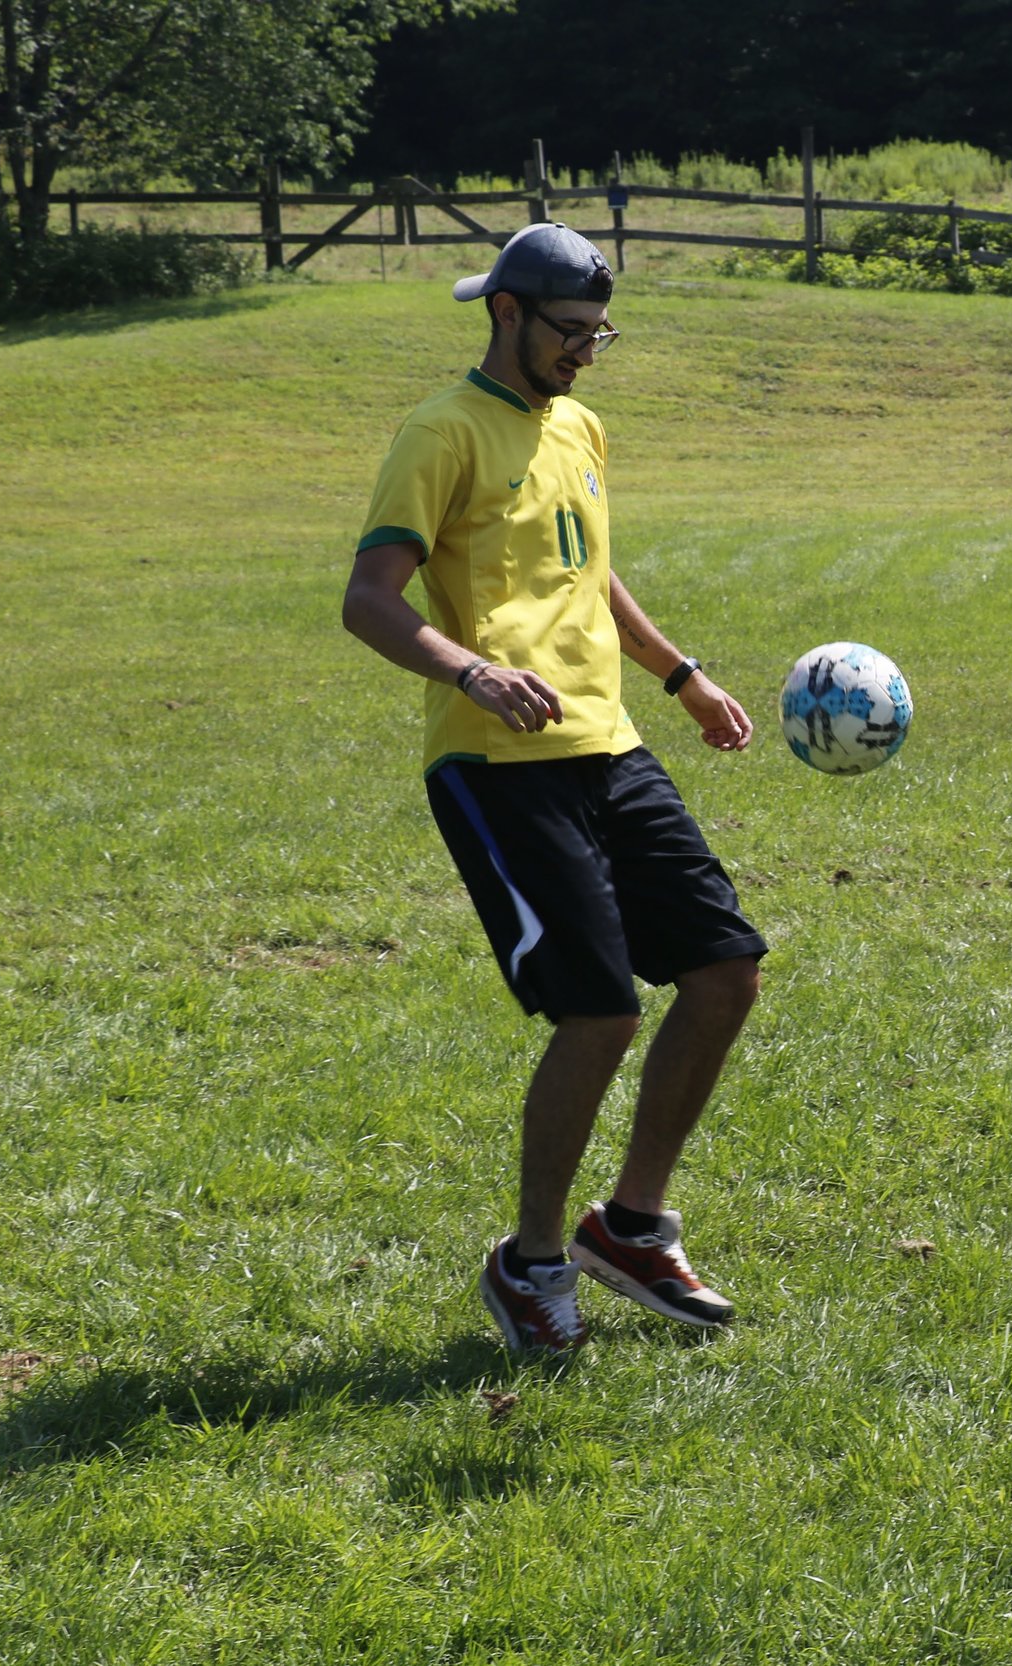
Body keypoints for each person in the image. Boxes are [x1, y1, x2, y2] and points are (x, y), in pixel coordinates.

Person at [341, 223, 768, 1352]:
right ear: (506, 315)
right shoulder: (438, 434)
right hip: (497, 764)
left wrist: (679, 676)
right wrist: (473, 666)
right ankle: (531, 1261)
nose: (587, 353)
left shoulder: (579, 425)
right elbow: (370, 596)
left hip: (609, 744)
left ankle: (630, 1226)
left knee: (725, 971)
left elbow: (590, 565)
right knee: (600, 1009)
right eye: (571, 333)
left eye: (600, 335)